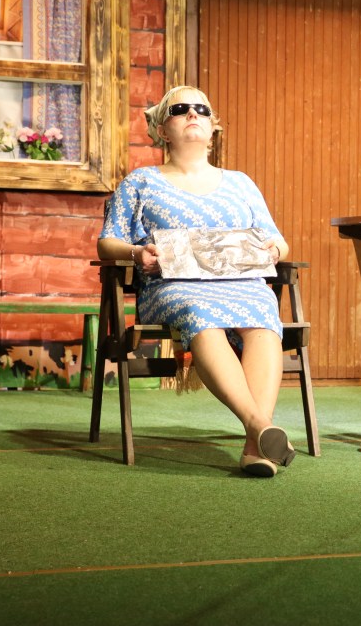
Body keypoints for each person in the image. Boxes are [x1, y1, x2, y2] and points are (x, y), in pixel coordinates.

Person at [98, 85, 294, 477]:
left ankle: (255, 444)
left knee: (263, 308)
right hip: (174, 285)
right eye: (181, 109)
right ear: (162, 130)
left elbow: (279, 241)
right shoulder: (140, 182)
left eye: (202, 110)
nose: (193, 114)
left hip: (240, 283)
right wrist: (136, 253)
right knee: (199, 309)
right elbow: (107, 242)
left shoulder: (240, 183)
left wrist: (274, 251)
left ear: (212, 127)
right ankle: (258, 426)